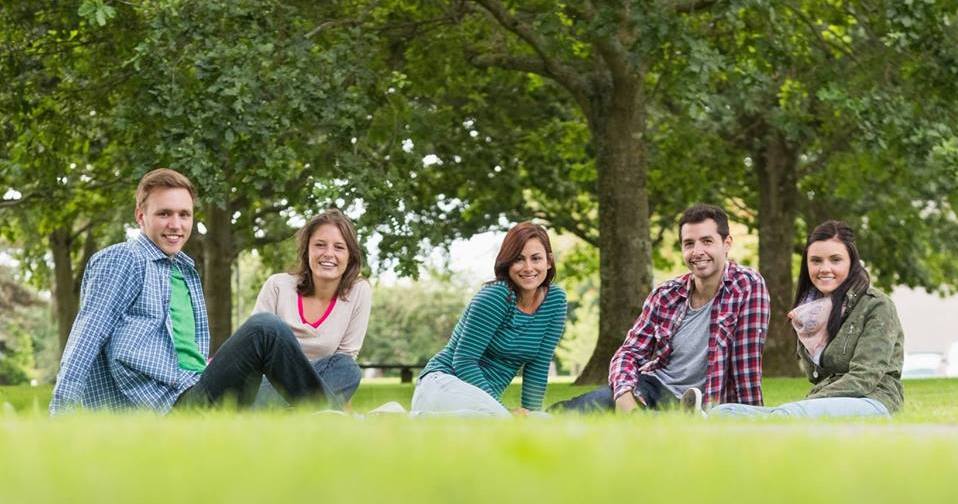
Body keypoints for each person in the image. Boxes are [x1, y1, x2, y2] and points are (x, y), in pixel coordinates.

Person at [49, 168, 331, 414]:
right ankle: (330, 417)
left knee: (338, 366)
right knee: (265, 330)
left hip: (199, 388)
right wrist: (60, 412)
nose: (176, 225)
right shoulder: (125, 259)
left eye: (184, 214)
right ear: (140, 216)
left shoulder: (183, 269)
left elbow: (189, 357)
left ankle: (326, 414)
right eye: (164, 214)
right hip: (169, 409)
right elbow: (86, 337)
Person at [550, 204, 769, 414]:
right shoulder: (666, 294)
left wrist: (750, 416)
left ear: (727, 243)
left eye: (707, 241)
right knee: (589, 406)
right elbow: (629, 353)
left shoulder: (747, 285)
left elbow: (745, 365)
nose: (697, 251)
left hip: (709, 401)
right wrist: (624, 393)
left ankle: (665, 419)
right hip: (654, 388)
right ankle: (530, 417)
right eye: (689, 243)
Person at [710, 220, 904, 418]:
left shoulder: (877, 305)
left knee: (791, 413)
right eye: (816, 261)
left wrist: (811, 401)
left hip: (872, 401)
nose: (824, 268)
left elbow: (865, 377)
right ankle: (707, 417)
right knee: (723, 410)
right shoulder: (810, 312)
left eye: (835, 260)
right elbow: (816, 376)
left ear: (851, 263)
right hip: (824, 402)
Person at [410, 222, 567, 417]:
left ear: (549, 261)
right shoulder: (495, 296)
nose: (528, 268)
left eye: (536, 259)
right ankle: (400, 418)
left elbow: (539, 365)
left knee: (542, 420)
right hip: (443, 383)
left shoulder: (556, 300)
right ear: (507, 263)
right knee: (500, 420)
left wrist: (530, 413)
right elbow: (464, 361)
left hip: (482, 401)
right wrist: (502, 410)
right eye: (518, 259)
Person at [251, 209, 372, 407]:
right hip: (271, 385)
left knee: (348, 369)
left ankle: (292, 416)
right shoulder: (277, 286)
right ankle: (315, 414)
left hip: (326, 379)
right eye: (320, 245)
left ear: (350, 256)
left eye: (339, 247)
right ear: (307, 250)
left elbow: (345, 358)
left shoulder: (359, 291)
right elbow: (255, 350)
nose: (329, 254)